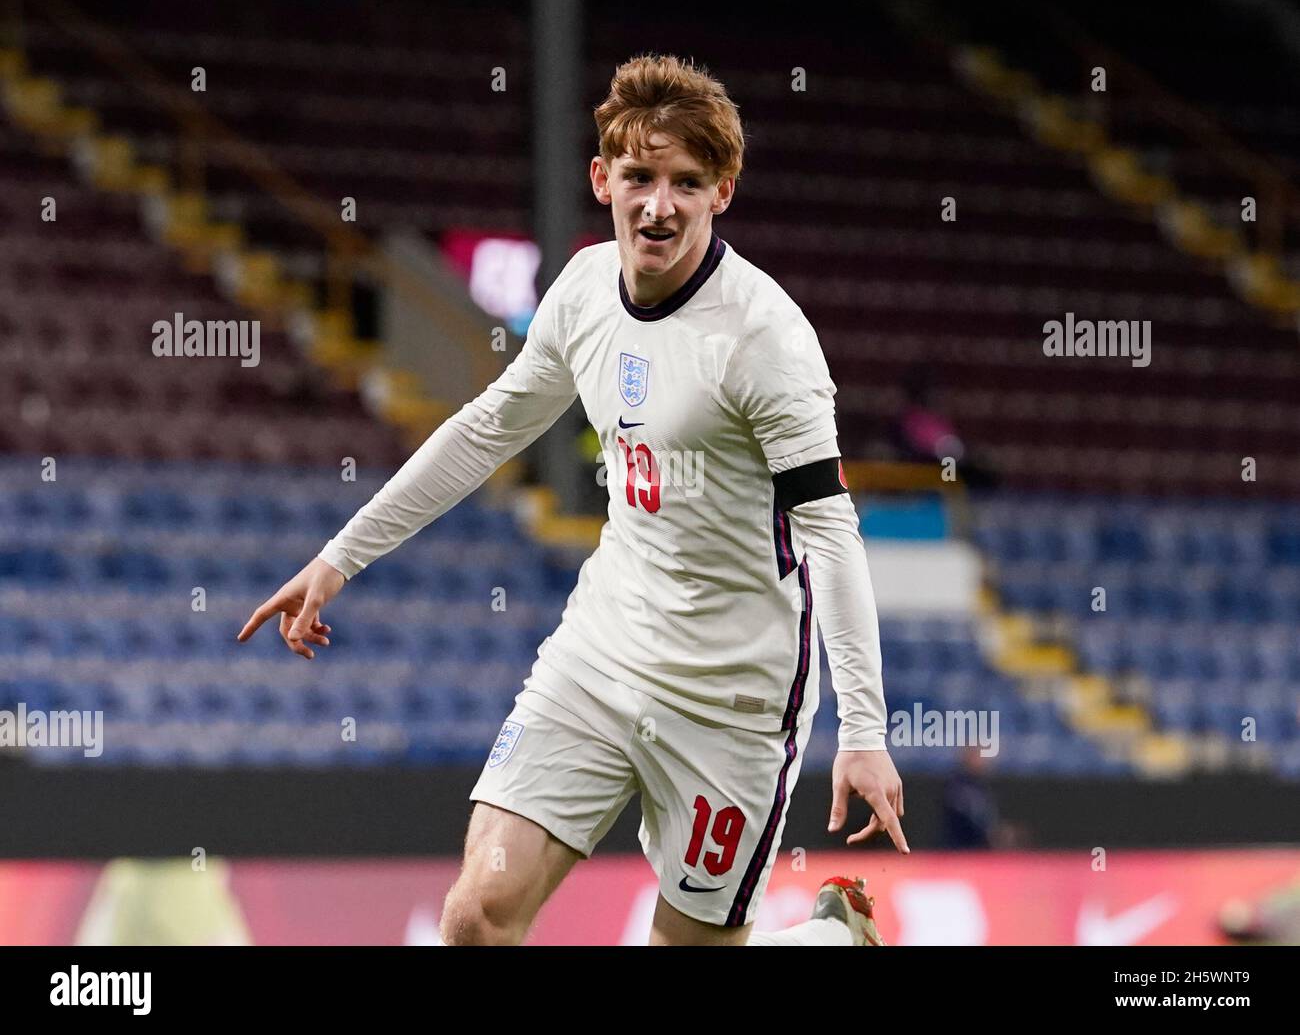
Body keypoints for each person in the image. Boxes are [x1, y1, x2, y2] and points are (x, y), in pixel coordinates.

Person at [238, 53, 904, 946]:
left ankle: (826, 938)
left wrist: (863, 728)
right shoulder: (585, 291)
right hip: (601, 655)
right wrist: (339, 557)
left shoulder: (767, 340)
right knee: (475, 919)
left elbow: (831, 534)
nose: (658, 205)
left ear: (723, 193)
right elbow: (485, 431)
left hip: (733, 699)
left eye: (686, 182)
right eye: (638, 176)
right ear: (602, 178)